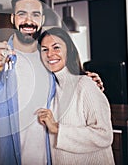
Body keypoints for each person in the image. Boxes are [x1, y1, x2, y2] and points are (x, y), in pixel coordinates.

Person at [0, 0, 104, 164]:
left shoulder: (49, 58)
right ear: (13, 18)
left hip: (49, 155)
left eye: (35, 14)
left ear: (41, 19)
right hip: (4, 156)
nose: (28, 21)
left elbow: (68, 86)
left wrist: (88, 83)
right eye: (22, 14)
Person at [36, 27, 114, 164]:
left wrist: (57, 128)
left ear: (69, 51)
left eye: (56, 48)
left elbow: (104, 135)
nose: (50, 54)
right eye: (44, 49)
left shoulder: (85, 84)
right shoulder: (49, 91)